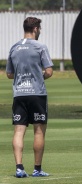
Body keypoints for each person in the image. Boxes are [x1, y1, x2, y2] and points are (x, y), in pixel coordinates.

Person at [6, 17, 53, 178]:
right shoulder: (40, 47)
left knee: (19, 131)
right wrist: (38, 77)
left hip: (19, 94)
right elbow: (49, 71)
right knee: (39, 131)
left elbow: (9, 74)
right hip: (37, 94)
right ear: (35, 29)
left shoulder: (14, 47)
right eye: (39, 28)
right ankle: (37, 169)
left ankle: (19, 168)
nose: (40, 31)